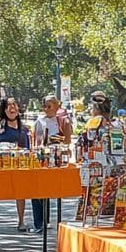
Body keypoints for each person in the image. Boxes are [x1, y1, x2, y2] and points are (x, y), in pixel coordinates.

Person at [0, 96, 32, 232]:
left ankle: (21, 220)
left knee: (20, 191)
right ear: (4, 109)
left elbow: (26, 147)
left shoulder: (23, 126)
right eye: (8, 106)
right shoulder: (0, 123)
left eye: (14, 105)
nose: (12, 108)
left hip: (18, 163)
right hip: (0, 162)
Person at [31, 94, 73, 234]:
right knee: (37, 191)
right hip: (41, 159)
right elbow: (35, 140)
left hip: (56, 160)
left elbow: (67, 140)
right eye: (44, 106)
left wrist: (56, 141)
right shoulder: (39, 120)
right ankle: (39, 222)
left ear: (56, 107)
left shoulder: (63, 120)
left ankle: (48, 220)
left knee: (49, 190)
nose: (46, 109)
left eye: (49, 106)